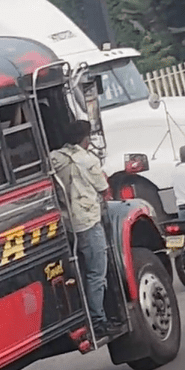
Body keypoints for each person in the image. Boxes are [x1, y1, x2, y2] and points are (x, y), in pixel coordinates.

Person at [50, 120, 113, 338]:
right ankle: (98, 319)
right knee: (97, 274)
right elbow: (104, 190)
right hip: (88, 222)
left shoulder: (55, 158)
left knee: (79, 272)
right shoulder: (88, 160)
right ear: (86, 140)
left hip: (67, 226)